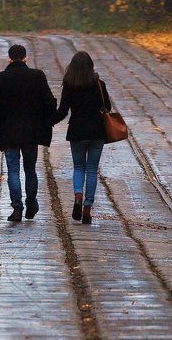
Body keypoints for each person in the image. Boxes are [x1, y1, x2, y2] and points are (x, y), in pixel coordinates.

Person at [0, 43, 57, 222]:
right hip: (31, 132)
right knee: (30, 169)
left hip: (9, 133)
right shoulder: (37, 76)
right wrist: (45, 123)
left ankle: (17, 207)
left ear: (9, 58)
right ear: (26, 58)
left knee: (12, 170)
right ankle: (31, 203)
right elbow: (49, 102)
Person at [53, 51, 109, 225]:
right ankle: (87, 208)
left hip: (77, 131)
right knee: (92, 170)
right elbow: (107, 107)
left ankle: (78, 194)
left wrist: (48, 121)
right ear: (91, 66)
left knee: (79, 167)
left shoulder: (69, 85)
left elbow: (62, 111)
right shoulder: (99, 84)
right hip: (97, 132)